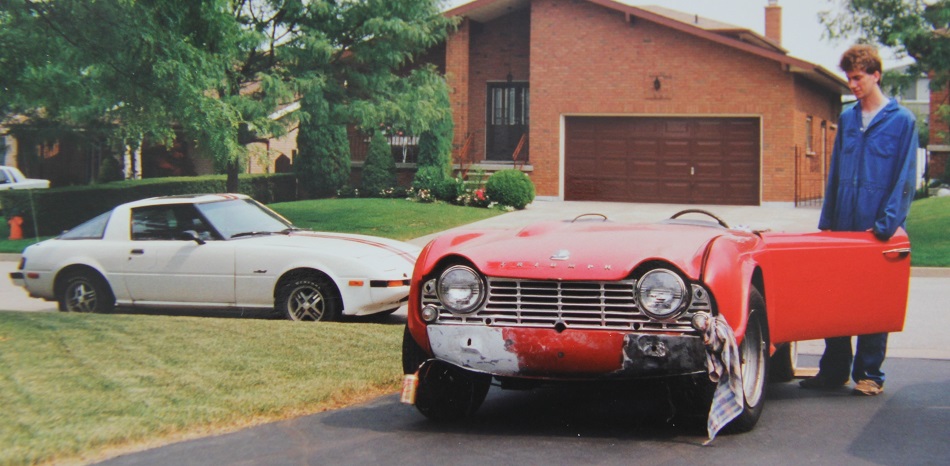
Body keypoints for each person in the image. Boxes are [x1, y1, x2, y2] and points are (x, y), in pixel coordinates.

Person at [799, 44, 918, 396]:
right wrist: (828, 222)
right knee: (835, 298)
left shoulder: (902, 121)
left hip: (876, 230)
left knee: (873, 302)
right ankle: (833, 371)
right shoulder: (849, 119)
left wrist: (885, 226)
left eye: (858, 77)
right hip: (843, 227)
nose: (853, 84)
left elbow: (905, 179)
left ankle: (869, 374)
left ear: (876, 75)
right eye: (849, 78)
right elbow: (836, 172)